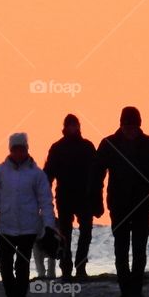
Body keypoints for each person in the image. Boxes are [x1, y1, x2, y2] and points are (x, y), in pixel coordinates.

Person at [95, 106, 149, 297]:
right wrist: (96, 202)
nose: (130, 130)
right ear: (121, 125)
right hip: (119, 205)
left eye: (133, 126)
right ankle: (125, 292)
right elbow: (97, 174)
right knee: (121, 249)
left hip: (143, 205)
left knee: (140, 249)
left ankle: (137, 291)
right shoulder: (109, 144)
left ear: (139, 125)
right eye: (127, 126)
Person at [0, 132, 56, 297]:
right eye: (15, 149)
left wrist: (49, 227)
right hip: (5, 227)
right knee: (5, 267)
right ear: (10, 150)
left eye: (21, 149)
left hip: (28, 229)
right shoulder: (0, 172)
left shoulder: (36, 174)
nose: (18, 153)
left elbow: (46, 202)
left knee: (22, 266)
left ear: (27, 149)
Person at [43, 114, 98, 281]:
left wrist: (96, 199)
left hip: (84, 197)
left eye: (75, 125)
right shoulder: (57, 148)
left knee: (86, 231)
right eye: (70, 125)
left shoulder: (87, 146)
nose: (73, 128)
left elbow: (96, 175)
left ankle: (81, 266)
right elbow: (48, 174)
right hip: (64, 197)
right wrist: (44, 200)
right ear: (65, 127)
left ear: (79, 127)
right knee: (65, 233)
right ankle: (66, 268)